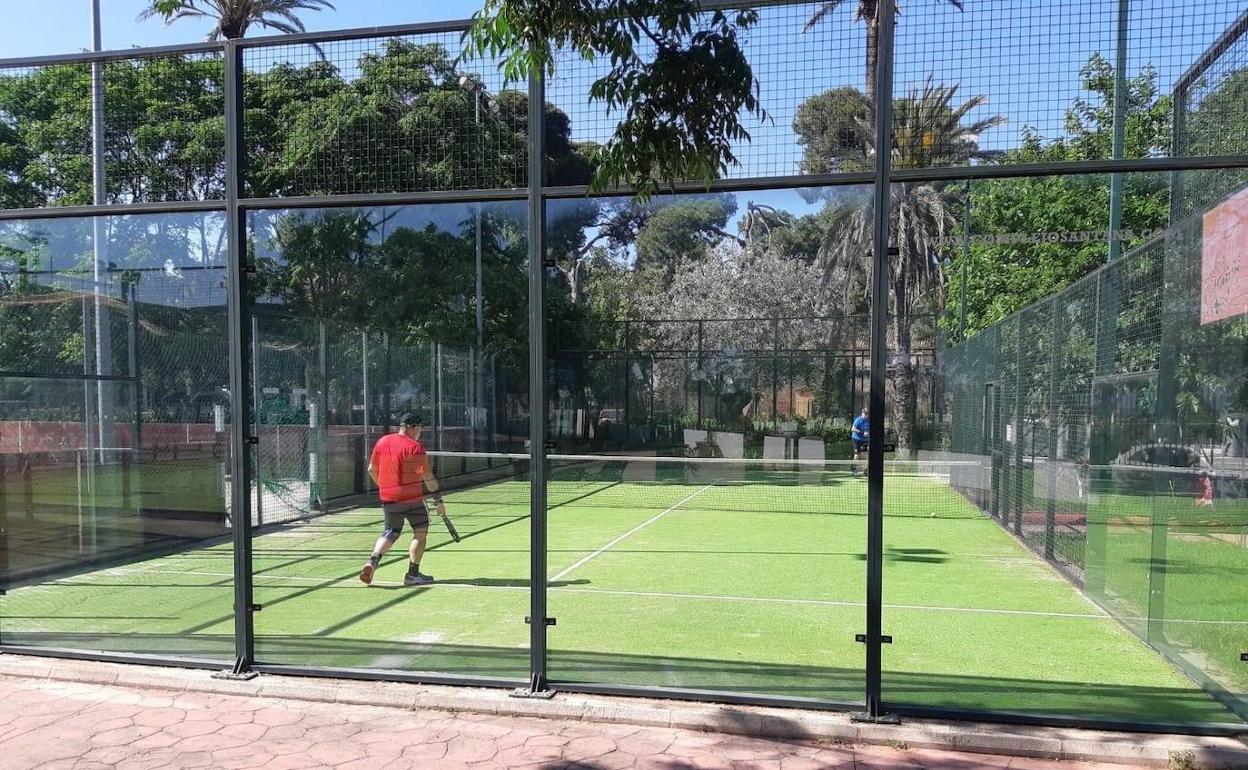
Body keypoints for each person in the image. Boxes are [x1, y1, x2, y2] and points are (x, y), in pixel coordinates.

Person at [359, 412, 449, 587]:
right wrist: (439, 501)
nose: (420, 432)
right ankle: (412, 574)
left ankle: (373, 561)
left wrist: (385, 486)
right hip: (412, 499)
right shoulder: (415, 447)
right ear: (412, 426)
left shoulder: (382, 441)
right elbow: (428, 477)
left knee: (391, 531)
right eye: (420, 428)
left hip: (389, 498)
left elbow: (371, 469)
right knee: (420, 533)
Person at [851, 408, 869, 477]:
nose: (866, 415)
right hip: (857, 439)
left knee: (869, 455)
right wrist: (862, 432)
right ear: (862, 413)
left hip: (866, 440)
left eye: (867, 413)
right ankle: (854, 469)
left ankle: (866, 470)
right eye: (865, 413)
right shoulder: (858, 420)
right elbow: (853, 429)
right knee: (857, 454)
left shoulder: (869, 421)